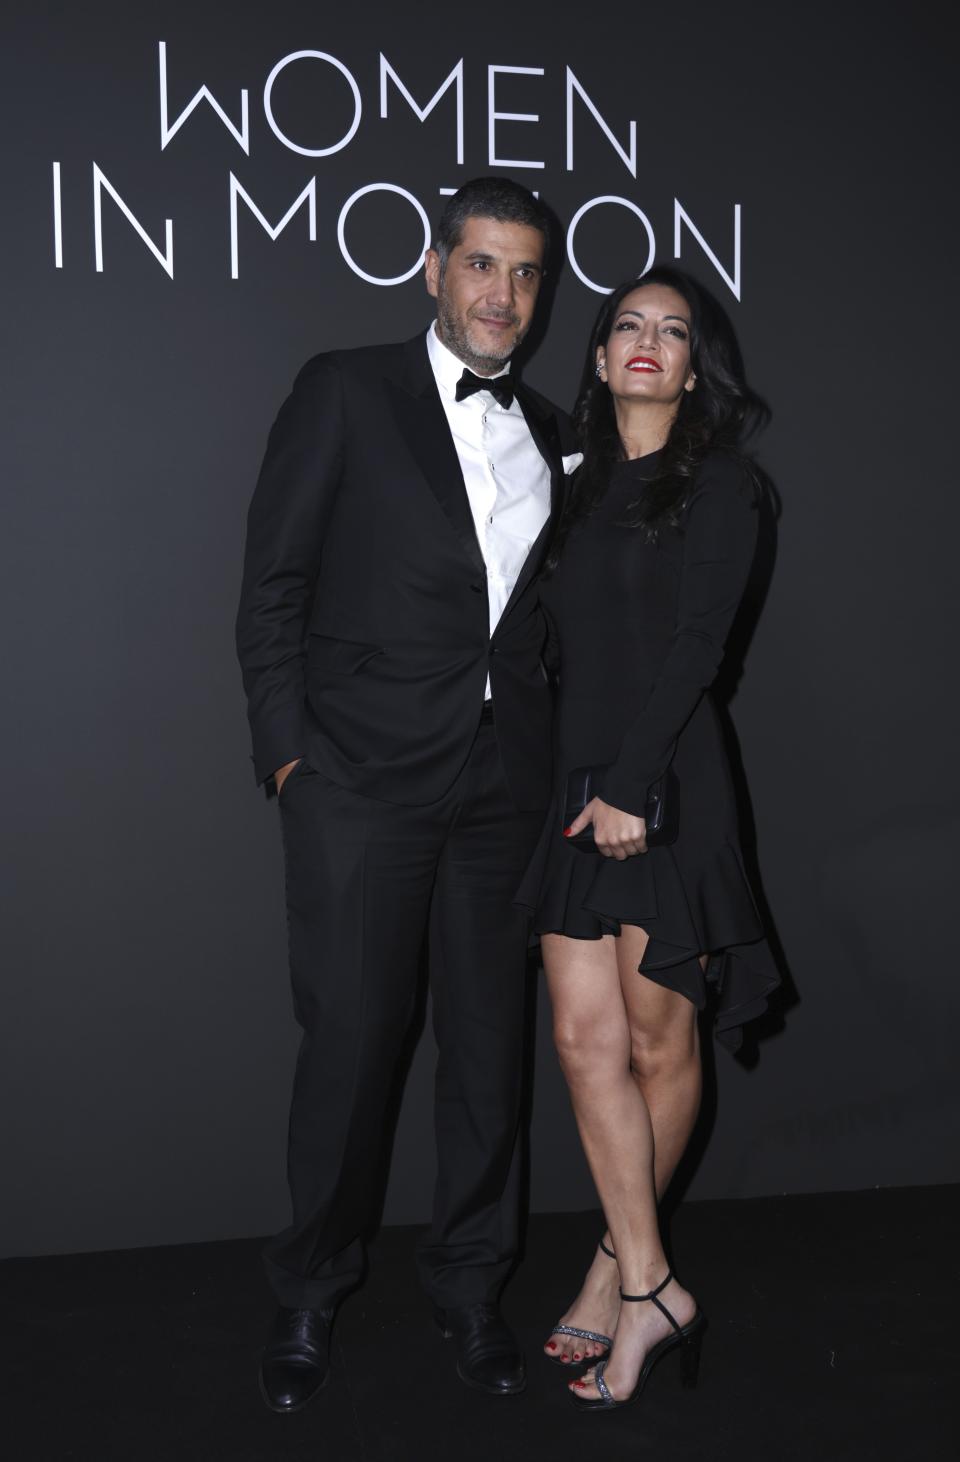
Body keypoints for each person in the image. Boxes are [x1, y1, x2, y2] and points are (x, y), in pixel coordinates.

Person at [235, 177, 573, 1412]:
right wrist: (289, 761)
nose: (504, 294)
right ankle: (311, 1291)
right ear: (436, 270)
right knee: (353, 1050)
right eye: (483, 265)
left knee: (488, 1058)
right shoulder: (344, 391)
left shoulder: (549, 428)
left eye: (527, 273)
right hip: (361, 786)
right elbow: (271, 584)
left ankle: (471, 1287)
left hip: (502, 795)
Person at [515, 267, 781, 1411]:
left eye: (674, 332)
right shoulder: (566, 483)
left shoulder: (724, 484)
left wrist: (628, 784)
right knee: (584, 1044)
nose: (646, 343)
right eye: (629, 324)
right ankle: (653, 1279)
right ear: (598, 350)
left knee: (660, 1042)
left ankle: (615, 1279)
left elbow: (698, 648)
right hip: (575, 792)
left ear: (694, 365)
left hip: (663, 785)